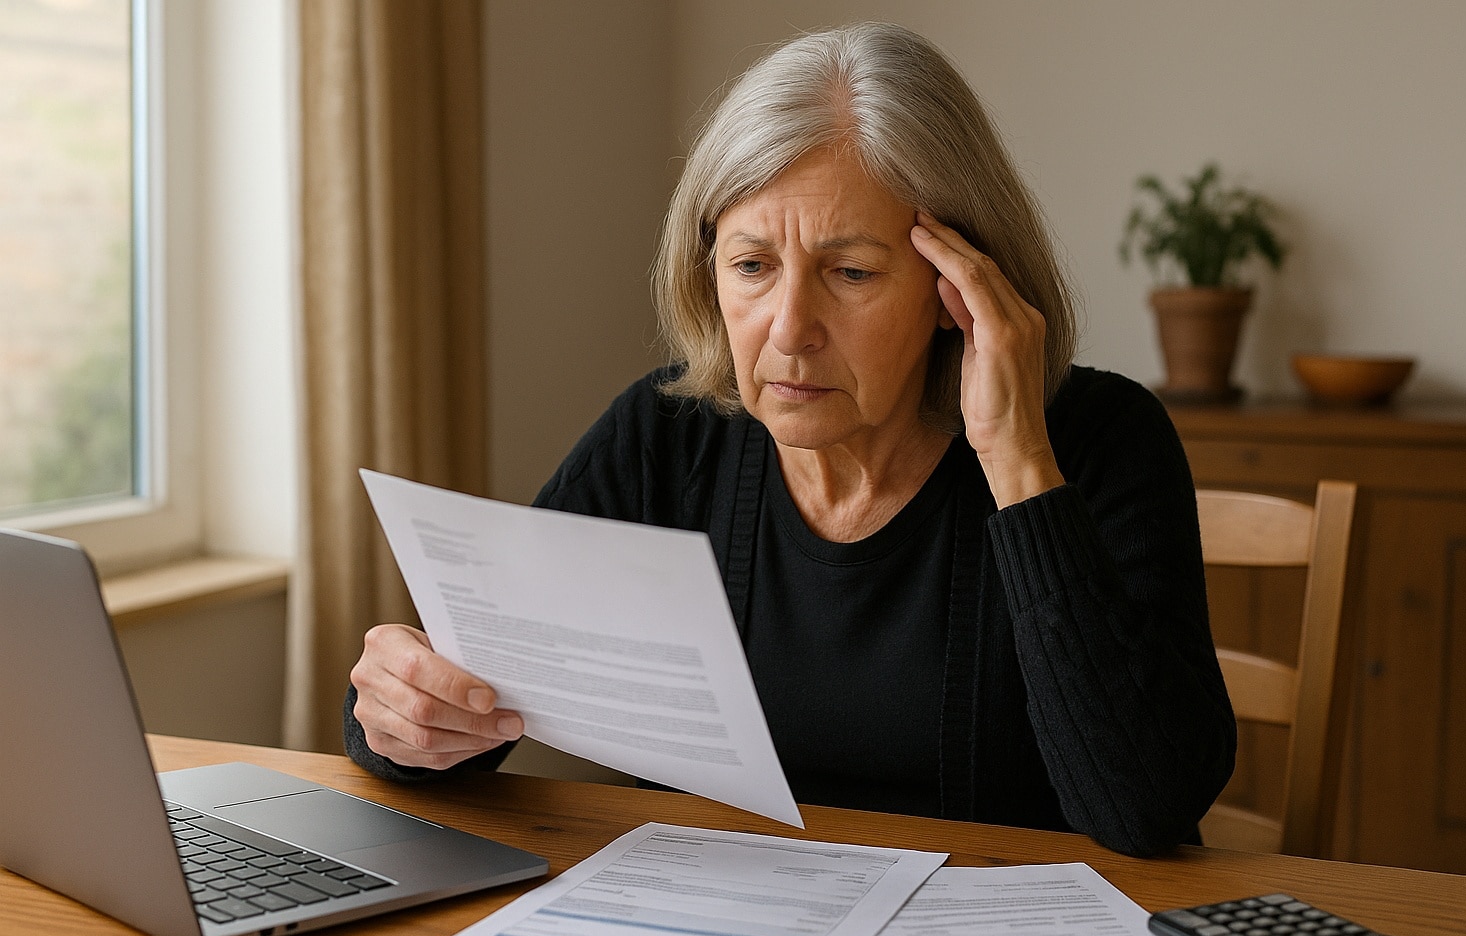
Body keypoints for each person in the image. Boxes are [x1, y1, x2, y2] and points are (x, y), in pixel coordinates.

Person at [344, 22, 1235, 857]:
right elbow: (468, 703)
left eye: (851, 272)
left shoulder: (1101, 444)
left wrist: (1016, 461)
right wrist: (402, 715)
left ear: (959, 284)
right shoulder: (666, 439)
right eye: (752, 267)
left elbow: (1145, 812)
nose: (790, 328)